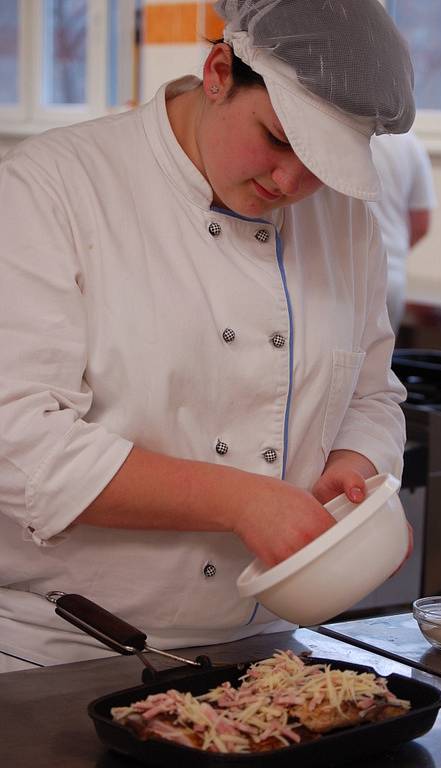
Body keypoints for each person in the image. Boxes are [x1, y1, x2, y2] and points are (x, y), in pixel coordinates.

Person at [0, 0, 414, 671]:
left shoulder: (343, 222)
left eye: (321, 164)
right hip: (62, 653)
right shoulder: (54, 187)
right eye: (280, 141)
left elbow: (371, 394)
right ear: (219, 70)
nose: (291, 183)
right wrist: (239, 500)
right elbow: (16, 439)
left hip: (265, 651)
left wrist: (355, 470)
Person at [369, 131, 437, 333]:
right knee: (379, 361)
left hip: (340, 276)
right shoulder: (410, 143)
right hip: (391, 276)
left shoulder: (342, 132)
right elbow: (421, 224)